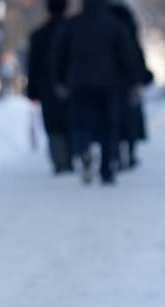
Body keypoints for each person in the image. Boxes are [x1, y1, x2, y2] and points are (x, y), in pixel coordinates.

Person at [52, 0, 143, 185]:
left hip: (79, 83)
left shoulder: (73, 24)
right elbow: (126, 54)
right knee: (110, 126)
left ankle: (84, 149)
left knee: (80, 123)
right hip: (109, 84)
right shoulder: (114, 24)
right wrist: (134, 80)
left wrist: (60, 81)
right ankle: (106, 170)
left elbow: (60, 54)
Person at [27, 0, 73, 175]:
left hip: (46, 87)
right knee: (70, 120)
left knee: (53, 125)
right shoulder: (72, 30)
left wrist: (33, 91)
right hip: (71, 85)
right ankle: (71, 155)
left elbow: (32, 65)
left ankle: (60, 160)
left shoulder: (40, 34)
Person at [108, 0, 155, 170]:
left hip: (109, 80)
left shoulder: (106, 24)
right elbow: (135, 54)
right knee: (130, 119)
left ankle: (115, 155)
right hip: (128, 80)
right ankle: (130, 155)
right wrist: (142, 76)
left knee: (113, 119)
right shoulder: (128, 26)